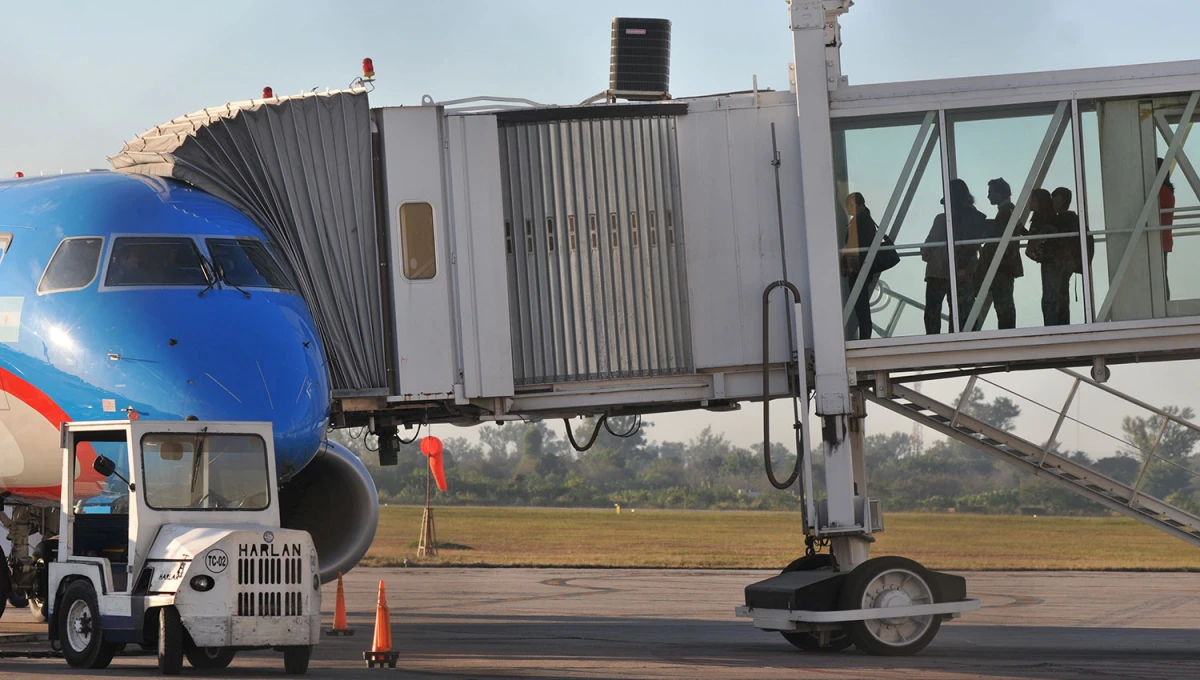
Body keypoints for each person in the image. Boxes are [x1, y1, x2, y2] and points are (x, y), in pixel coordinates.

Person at [922, 179, 985, 333]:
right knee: (961, 310)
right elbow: (973, 243)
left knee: (933, 310)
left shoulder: (942, 219)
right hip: (964, 270)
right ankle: (961, 338)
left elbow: (930, 244)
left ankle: (934, 342)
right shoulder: (974, 217)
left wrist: (926, 255)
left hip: (939, 270)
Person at [974, 178, 1026, 330]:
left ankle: (1007, 334)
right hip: (1003, 264)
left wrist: (985, 227)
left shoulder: (1006, 212)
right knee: (1003, 303)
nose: (988, 196)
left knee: (1003, 304)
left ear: (999, 193)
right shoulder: (1009, 211)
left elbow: (999, 234)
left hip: (1001, 264)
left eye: (991, 192)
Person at [840, 192, 883, 340]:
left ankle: (865, 336)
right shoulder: (862, 220)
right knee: (860, 305)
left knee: (861, 305)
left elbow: (860, 244)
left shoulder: (862, 222)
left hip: (859, 268)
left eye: (852, 205)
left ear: (860, 205)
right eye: (848, 206)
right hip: (860, 267)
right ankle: (865, 335)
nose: (849, 209)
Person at [1158, 157, 1175, 298]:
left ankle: (1164, 302)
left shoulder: (1162, 192)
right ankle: (1165, 302)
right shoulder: (1167, 191)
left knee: (1160, 276)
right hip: (1163, 239)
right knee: (1162, 275)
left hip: (1159, 240)